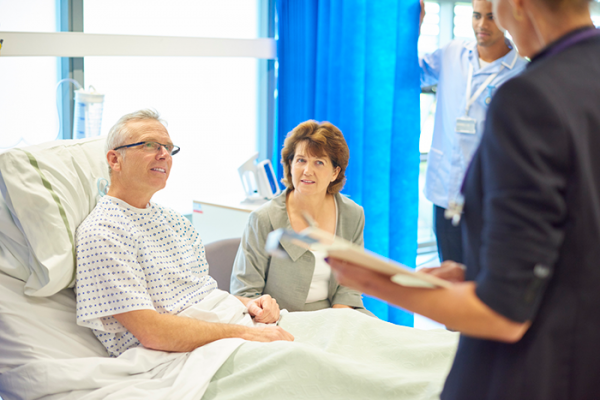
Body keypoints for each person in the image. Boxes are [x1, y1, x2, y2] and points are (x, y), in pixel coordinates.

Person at [328, 0, 600, 398]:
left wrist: (373, 280)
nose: (490, 20)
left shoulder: (529, 97)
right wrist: (484, 272)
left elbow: (503, 313)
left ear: (517, 4)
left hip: (532, 371)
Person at [75, 109, 293, 357]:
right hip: (190, 352)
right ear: (115, 160)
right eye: (150, 145)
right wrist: (249, 334)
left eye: (168, 148)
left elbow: (203, 295)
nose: (164, 155)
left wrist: (251, 304)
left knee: (332, 327)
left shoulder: (175, 222)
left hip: (238, 324)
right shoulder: (103, 233)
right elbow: (152, 333)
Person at [419, 0, 527, 263]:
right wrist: (414, 30)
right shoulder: (452, 53)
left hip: (490, 197)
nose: (481, 25)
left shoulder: (521, 73)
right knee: (448, 271)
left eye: (491, 17)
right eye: (476, 15)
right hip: (446, 189)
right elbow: (413, 74)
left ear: (506, 18)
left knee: (483, 274)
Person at [230, 120, 370, 314]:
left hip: (337, 313)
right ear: (290, 164)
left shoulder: (352, 215)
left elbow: (350, 283)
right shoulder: (264, 219)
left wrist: (338, 321)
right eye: (301, 160)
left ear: (335, 172)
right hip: (281, 318)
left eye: (319, 162)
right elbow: (244, 291)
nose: (307, 171)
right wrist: (265, 312)